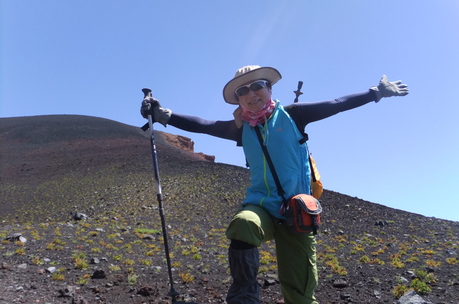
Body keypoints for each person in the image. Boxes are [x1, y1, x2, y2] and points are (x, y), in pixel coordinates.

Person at [140, 65, 409, 304]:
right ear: (238, 99)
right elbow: (204, 124)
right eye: (243, 90)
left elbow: (337, 103)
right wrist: (164, 114)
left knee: (300, 294)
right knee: (243, 224)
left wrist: (376, 92)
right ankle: (244, 298)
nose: (251, 93)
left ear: (269, 88)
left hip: (297, 212)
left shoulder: (294, 115)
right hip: (261, 206)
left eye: (257, 85)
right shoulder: (241, 128)